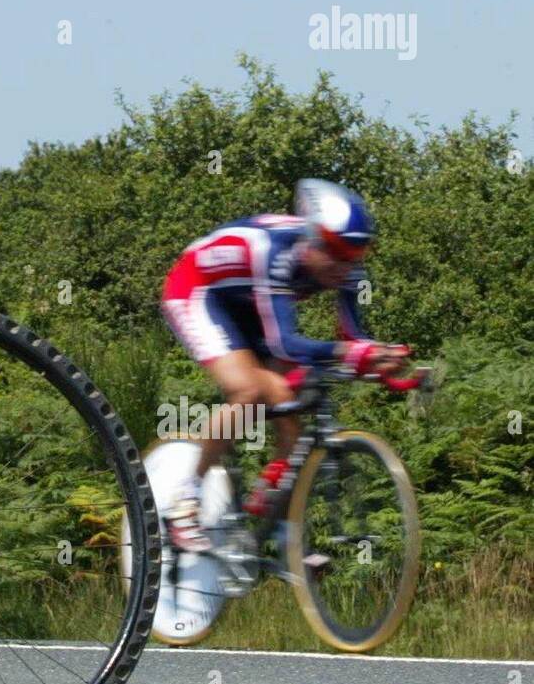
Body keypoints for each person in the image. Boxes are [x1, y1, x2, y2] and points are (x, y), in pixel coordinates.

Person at [159, 178, 411, 552]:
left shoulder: (347, 265)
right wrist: (352, 354)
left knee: (288, 395)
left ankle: (275, 514)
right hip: (198, 290)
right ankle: (185, 500)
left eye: (356, 256)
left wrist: (382, 360)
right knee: (248, 390)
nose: (346, 267)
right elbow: (285, 343)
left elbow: (353, 338)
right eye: (337, 253)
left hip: (247, 303)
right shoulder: (274, 252)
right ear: (311, 239)